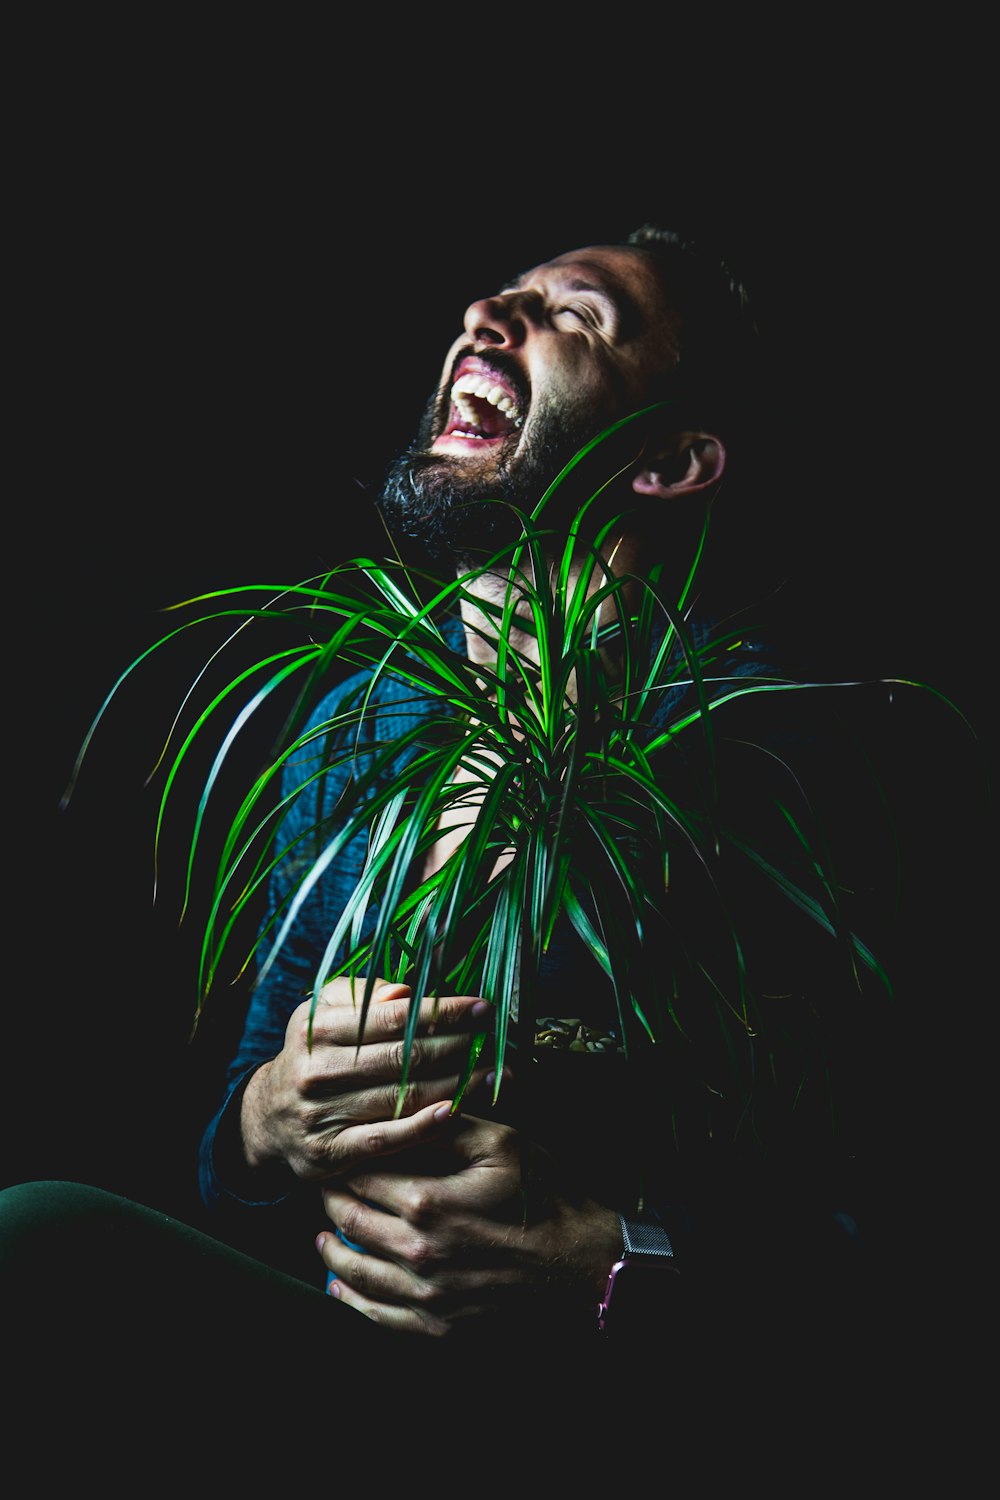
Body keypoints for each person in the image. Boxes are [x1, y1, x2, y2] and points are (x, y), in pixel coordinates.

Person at [2, 223, 973, 1443]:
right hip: (324, 1359)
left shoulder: (788, 756)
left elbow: (914, 1242)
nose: (486, 313)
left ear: (671, 460)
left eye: (576, 315)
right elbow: (225, 1164)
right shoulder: (358, 728)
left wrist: (610, 1267)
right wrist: (267, 1120)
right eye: (504, 294)